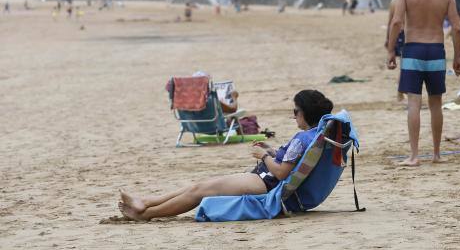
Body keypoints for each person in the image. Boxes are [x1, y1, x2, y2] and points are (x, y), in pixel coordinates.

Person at [117, 90, 332, 221]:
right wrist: (272, 151)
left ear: (305, 113)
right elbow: (291, 163)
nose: (293, 115)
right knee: (199, 185)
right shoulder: (312, 136)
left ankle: (144, 214)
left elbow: (283, 172)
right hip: (264, 179)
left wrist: (263, 156)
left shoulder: (302, 138)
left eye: (295, 111)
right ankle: (144, 202)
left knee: (200, 191)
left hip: (265, 183)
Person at [387, 0, 460, 166]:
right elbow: (457, 27)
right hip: (436, 50)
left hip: (413, 50)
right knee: (436, 103)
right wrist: (458, 57)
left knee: (413, 102)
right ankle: (437, 154)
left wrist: (391, 50)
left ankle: (414, 156)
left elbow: (396, 22)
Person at [385, 0, 415, 102]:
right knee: (405, 65)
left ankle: (403, 91)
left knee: (405, 64)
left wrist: (388, 38)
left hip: (397, 34)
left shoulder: (394, 1)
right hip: (406, 34)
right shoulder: (413, 0)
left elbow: (390, 23)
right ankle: (400, 92)